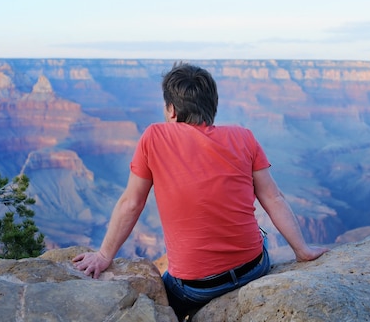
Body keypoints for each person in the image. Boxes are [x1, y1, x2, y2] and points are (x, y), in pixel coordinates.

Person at [73, 62, 328, 318]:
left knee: (157, 301)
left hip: (195, 288)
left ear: (172, 110)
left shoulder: (154, 137)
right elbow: (273, 197)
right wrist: (302, 250)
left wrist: (105, 255)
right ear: (212, 106)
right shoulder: (244, 137)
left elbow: (131, 203)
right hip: (254, 268)